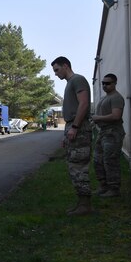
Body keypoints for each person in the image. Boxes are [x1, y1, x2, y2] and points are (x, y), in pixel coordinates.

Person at [51, 56, 93, 216]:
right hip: (73, 126)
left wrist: (75, 127)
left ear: (66, 66)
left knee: (78, 166)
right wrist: (66, 134)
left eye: (57, 69)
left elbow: (83, 103)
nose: (55, 74)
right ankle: (82, 203)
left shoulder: (78, 80)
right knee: (73, 166)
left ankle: (85, 205)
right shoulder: (71, 83)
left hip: (79, 127)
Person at [91, 73, 125, 197]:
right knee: (97, 159)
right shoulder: (105, 97)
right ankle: (103, 186)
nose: (105, 85)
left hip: (113, 132)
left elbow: (116, 116)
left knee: (110, 160)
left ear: (115, 83)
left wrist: (98, 118)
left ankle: (114, 189)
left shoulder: (116, 97)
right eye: (103, 83)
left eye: (108, 83)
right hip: (103, 132)